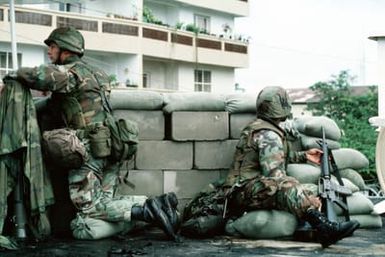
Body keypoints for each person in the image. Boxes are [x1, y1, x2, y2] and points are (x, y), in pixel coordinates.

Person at [4, 27, 180, 241]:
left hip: (88, 149)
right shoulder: (99, 74)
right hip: (111, 146)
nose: (49, 52)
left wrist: (10, 76)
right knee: (105, 202)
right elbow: (71, 101)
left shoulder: (69, 73)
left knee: (88, 210)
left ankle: (144, 211)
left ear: (65, 50)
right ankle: (154, 203)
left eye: (52, 47)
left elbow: (35, 75)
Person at [222, 86, 359, 248]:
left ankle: (313, 226)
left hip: (251, 189)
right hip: (242, 191)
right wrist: (300, 193)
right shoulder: (269, 134)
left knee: (312, 190)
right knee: (287, 185)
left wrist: (303, 156)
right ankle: (324, 227)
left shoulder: (263, 129)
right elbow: (275, 176)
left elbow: (272, 157)